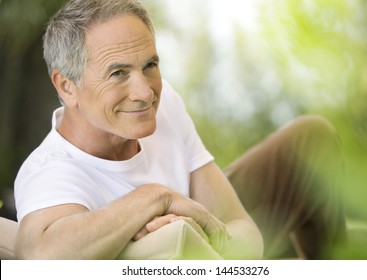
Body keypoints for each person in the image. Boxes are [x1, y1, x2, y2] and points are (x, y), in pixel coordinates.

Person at [14, 0, 346, 260]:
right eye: (118, 73)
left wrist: (202, 223)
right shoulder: (51, 174)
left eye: (150, 65)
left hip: (208, 237)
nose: (145, 92)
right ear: (67, 86)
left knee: (311, 138)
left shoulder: (164, 100)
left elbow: (245, 231)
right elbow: (40, 255)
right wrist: (154, 198)